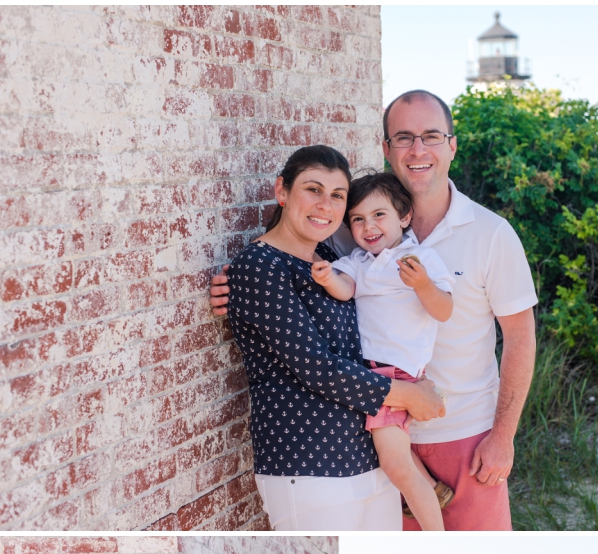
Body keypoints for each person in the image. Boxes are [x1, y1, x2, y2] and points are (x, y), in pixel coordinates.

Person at [210, 90, 538, 531]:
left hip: (462, 435)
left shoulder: (491, 233)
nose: (418, 150)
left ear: (452, 145)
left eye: (431, 136)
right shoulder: (353, 236)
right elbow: (290, 261)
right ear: (385, 148)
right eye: (403, 137)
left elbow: (520, 337)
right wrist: (233, 285)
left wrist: (503, 438)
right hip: (374, 438)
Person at [224, 144, 445, 531]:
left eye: (337, 196)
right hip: (309, 463)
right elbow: (317, 367)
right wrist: (409, 394)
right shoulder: (259, 266)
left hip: (368, 457)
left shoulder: (328, 255)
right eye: (313, 190)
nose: (325, 205)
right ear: (282, 191)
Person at [313, 172, 455, 531]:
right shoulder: (358, 261)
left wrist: (422, 284)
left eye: (379, 215)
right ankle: (433, 491)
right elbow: (345, 288)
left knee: (395, 465)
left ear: (404, 217)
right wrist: (328, 277)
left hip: (395, 376)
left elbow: (444, 310)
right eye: (358, 219)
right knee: (395, 453)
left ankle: (438, 538)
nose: (368, 226)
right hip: (370, 375)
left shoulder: (419, 258)